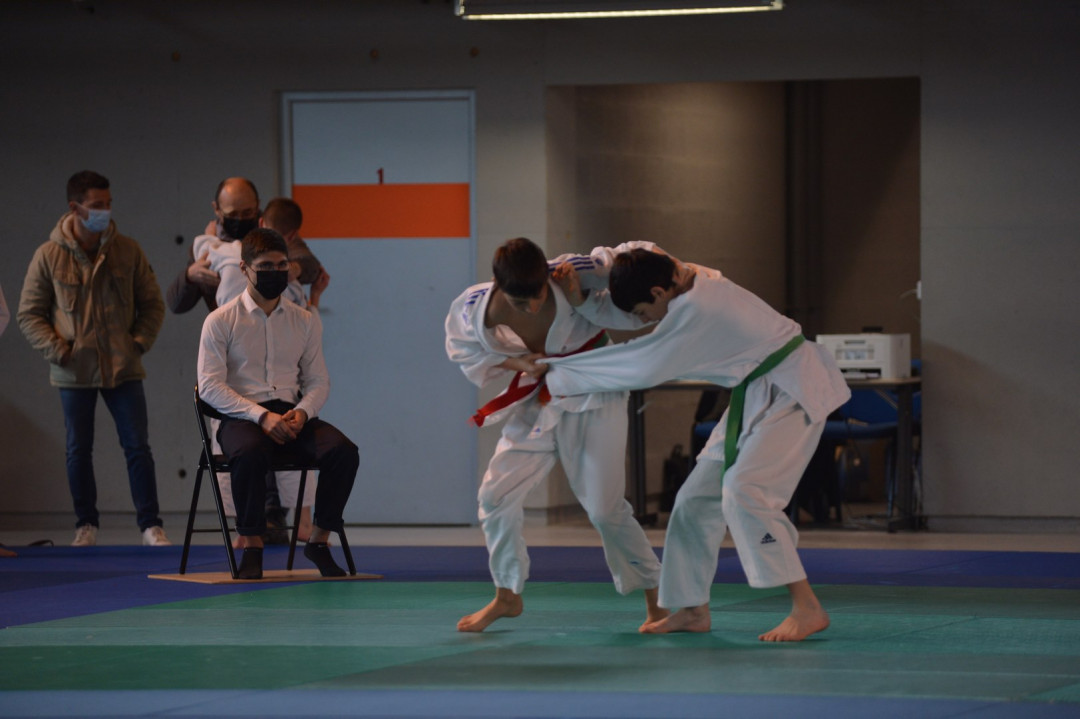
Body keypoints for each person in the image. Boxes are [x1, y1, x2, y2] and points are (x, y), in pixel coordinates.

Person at [544, 248, 850, 642]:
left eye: (644, 312)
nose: (645, 321)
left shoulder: (698, 309)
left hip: (795, 386)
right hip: (757, 390)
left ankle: (807, 607)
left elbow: (642, 364)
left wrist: (553, 371)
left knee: (745, 490)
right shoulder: (686, 273)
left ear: (658, 292)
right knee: (693, 500)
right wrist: (583, 299)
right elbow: (630, 260)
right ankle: (691, 609)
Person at [445, 237, 664, 633]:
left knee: (604, 509)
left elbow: (641, 257)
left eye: (539, 296)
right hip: (539, 397)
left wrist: (684, 278)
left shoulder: (575, 270)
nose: (532, 307)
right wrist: (518, 363)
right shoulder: (473, 306)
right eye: (520, 302)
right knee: (494, 496)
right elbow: (463, 350)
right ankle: (507, 594)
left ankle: (658, 598)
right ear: (498, 286)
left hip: (593, 390)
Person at [17, 170, 169, 547]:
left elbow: (153, 304)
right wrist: (60, 351)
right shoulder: (48, 255)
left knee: (137, 447)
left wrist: (137, 343)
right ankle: (86, 525)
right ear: (75, 207)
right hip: (74, 372)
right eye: (97, 205)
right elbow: (29, 314)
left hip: (124, 368)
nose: (105, 211)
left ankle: (151, 526)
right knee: (77, 450)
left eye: (108, 204)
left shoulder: (128, 250)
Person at [197, 228, 358, 580]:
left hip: (290, 413)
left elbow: (318, 381)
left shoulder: (304, 320)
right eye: (266, 266)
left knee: (343, 452)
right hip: (241, 416)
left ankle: (318, 540)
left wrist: (303, 411)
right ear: (244, 268)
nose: (276, 272)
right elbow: (209, 387)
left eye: (282, 265)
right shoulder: (220, 321)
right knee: (250, 451)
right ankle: (252, 545)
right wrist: (260, 415)